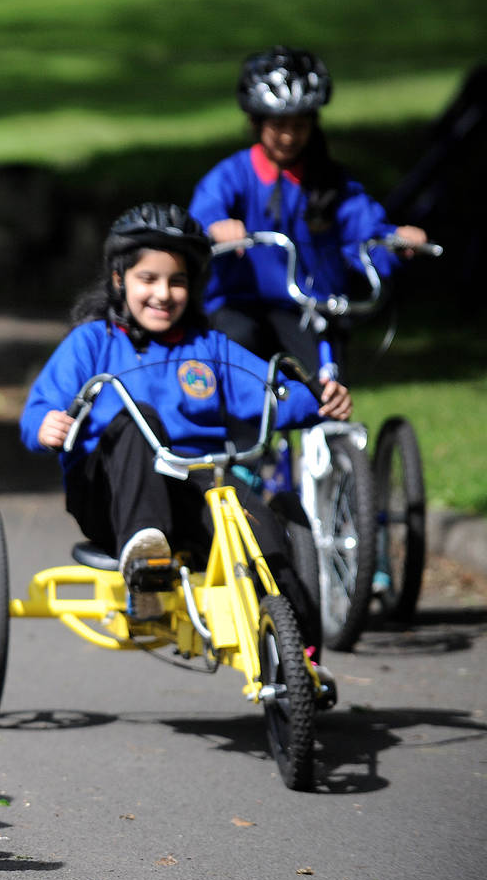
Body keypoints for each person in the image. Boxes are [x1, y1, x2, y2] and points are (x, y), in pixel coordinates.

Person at [20, 203, 352, 647]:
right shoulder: (91, 341)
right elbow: (43, 404)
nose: (163, 293)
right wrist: (46, 425)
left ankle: (302, 665)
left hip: (196, 486)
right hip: (110, 493)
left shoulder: (208, 348)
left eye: (176, 281)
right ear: (120, 281)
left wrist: (318, 401)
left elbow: (272, 394)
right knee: (140, 419)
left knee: (266, 540)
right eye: (148, 279)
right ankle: (147, 566)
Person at [190, 45, 429, 384]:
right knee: (236, 355)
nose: (289, 136)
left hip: (308, 308)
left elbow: (363, 227)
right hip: (242, 305)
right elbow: (204, 212)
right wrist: (218, 227)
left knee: (324, 383)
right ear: (256, 123)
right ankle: (244, 437)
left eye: (299, 125)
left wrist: (394, 242)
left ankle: (330, 436)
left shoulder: (329, 183)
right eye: (279, 125)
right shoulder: (233, 176)